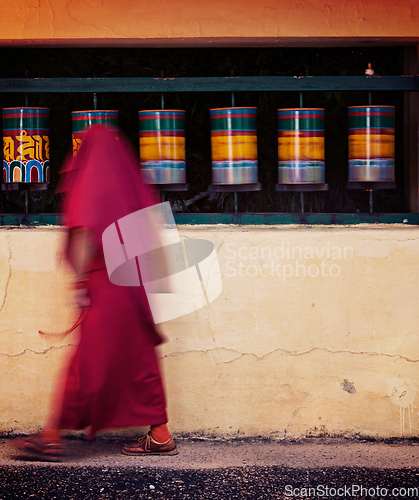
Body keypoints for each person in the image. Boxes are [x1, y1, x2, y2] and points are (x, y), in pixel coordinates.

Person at [14, 124, 177, 461]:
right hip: (133, 283)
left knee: (87, 359)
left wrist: (79, 283)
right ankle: (160, 435)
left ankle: (51, 435)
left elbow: (85, 230)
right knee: (139, 356)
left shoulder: (94, 179)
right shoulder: (127, 182)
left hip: (105, 283)